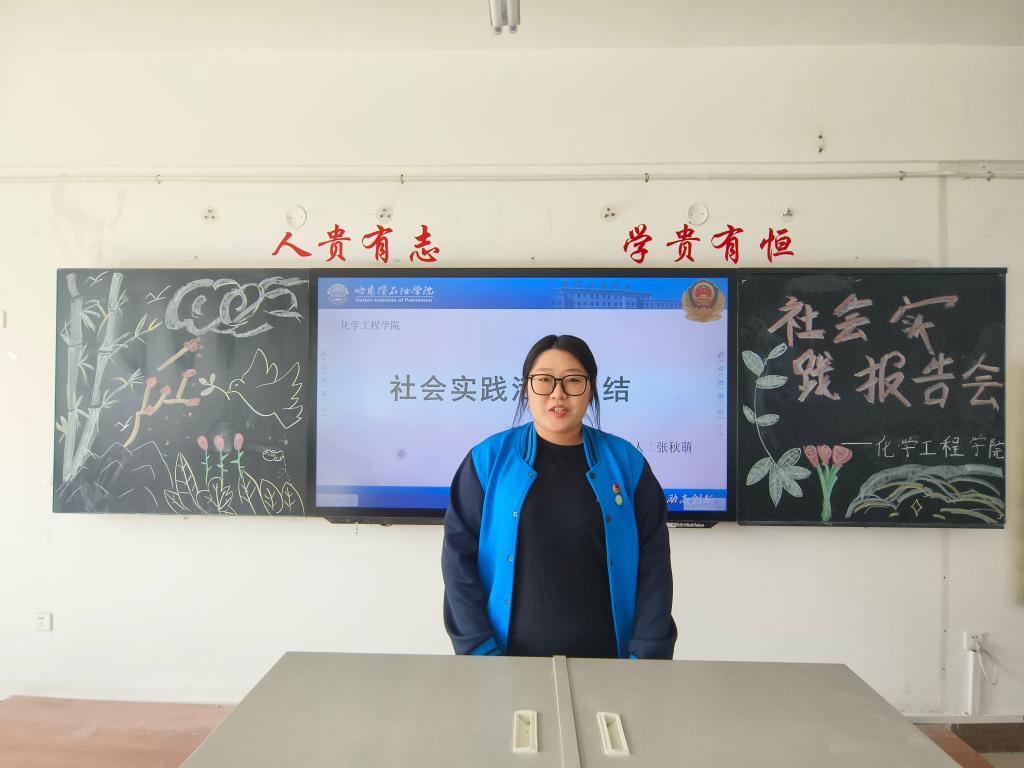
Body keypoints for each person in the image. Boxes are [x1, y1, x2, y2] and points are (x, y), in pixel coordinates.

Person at [441, 334, 677, 659]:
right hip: (506, 664)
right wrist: (480, 651)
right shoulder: (488, 460)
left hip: (613, 665)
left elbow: (654, 567)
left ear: (590, 389)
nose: (558, 393)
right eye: (544, 380)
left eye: (573, 380)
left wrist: (645, 657)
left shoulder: (626, 463)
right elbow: (458, 563)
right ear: (526, 388)